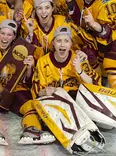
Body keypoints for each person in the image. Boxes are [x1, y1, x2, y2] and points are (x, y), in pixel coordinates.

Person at [32, 26, 104, 154]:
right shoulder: (43, 62)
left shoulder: (78, 59)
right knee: (57, 96)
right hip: (55, 102)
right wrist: (45, 91)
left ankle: (87, 128)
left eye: (66, 41)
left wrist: (79, 70)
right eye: (59, 40)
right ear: (53, 43)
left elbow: (93, 85)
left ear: (71, 43)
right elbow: (37, 91)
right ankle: (72, 135)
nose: (62, 44)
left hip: (76, 100)